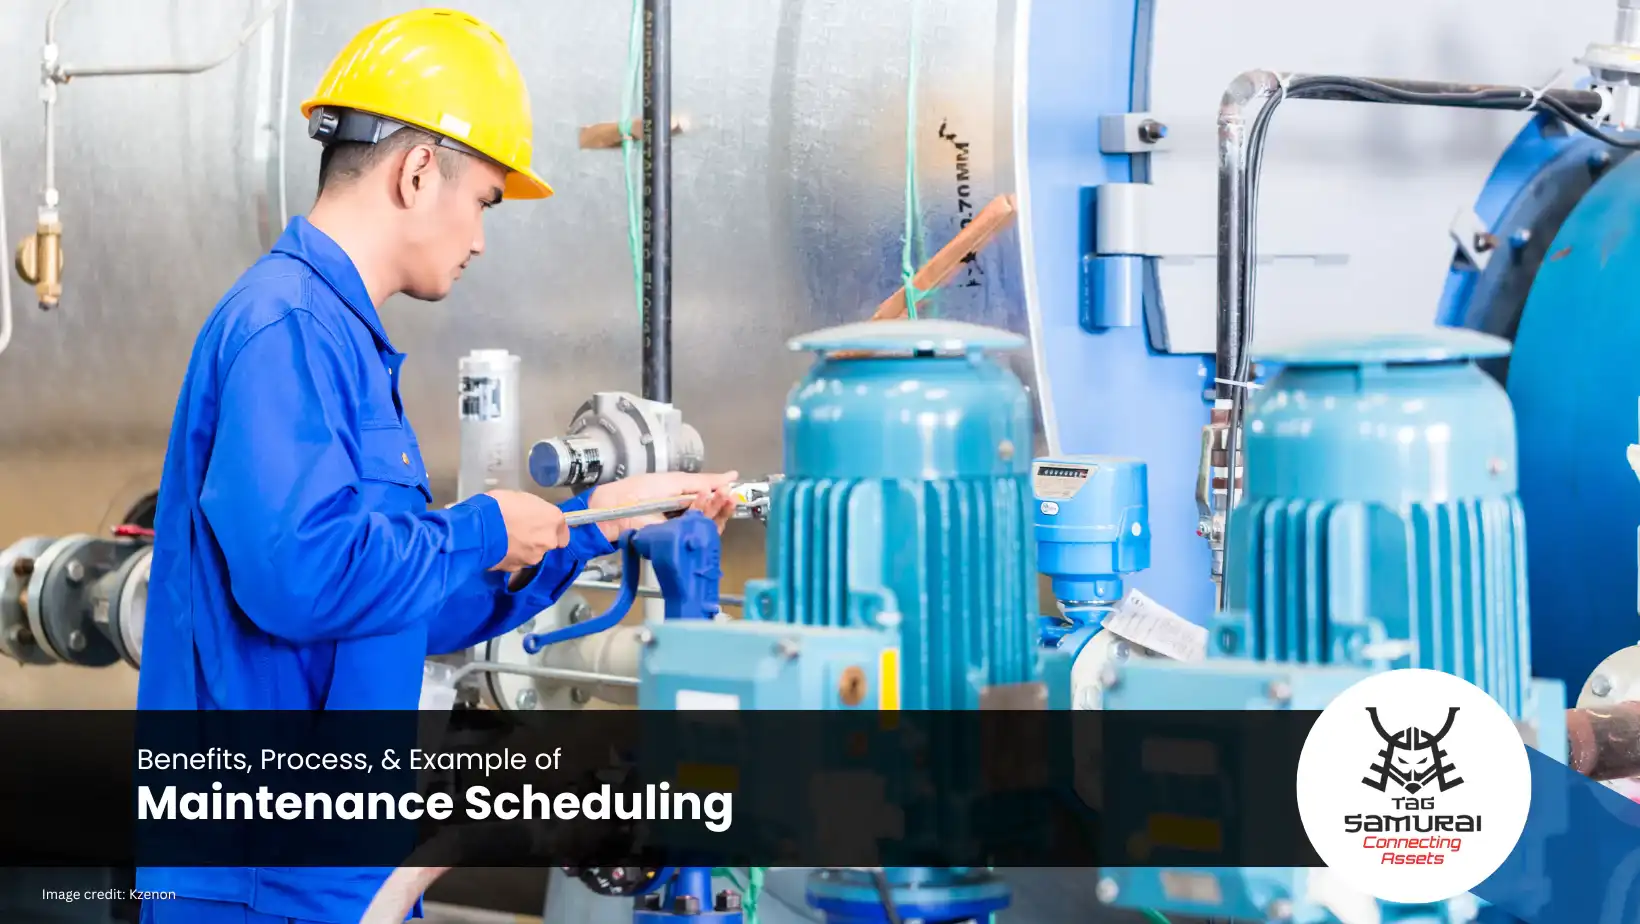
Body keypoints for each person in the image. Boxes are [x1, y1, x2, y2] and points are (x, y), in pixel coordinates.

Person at [134, 9, 736, 923]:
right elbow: (300, 577)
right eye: (485, 200)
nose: (483, 238)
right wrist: (488, 525)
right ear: (419, 171)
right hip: (258, 883)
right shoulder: (284, 328)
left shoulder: (341, 343)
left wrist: (596, 522)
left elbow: (402, 601)